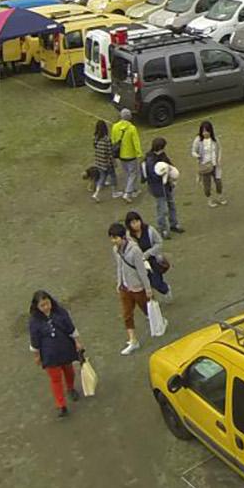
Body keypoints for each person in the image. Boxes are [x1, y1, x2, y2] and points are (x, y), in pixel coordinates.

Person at [29, 289, 82, 418]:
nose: (46, 307)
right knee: (55, 379)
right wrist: (36, 355)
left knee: (69, 371)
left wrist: (77, 342)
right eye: (42, 305)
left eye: (47, 303)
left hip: (65, 348)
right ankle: (61, 405)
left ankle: (70, 388)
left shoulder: (61, 313)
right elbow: (34, 339)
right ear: (37, 306)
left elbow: (70, 327)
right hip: (49, 354)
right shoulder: (34, 322)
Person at [109, 220, 154, 356]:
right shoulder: (116, 250)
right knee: (127, 314)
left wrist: (147, 288)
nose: (113, 241)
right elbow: (119, 267)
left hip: (137, 287)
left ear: (122, 237)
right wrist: (119, 282)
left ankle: (157, 321)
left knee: (147, 310)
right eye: (111, 238)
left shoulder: (135, 250)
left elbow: (141, 270)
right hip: (125, 287)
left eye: (115, 238)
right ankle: (133, 340)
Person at [125, 210, 171, 300]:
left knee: (156, 282)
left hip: (153, 260)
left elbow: (159, 243)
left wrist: (148, 253)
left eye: (137, 221)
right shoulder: (128, 236)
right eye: (133, 223)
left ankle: (165, 289)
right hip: (139, 263)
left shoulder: (150, 230)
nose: (136, 224)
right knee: (145, 282)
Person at [144, 136, 183, 237]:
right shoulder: (150, 159)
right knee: (162, 209)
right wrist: (163, 172)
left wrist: (171, 172)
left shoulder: (162, 155)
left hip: (166, 186)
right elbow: (153, 175)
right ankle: (162, 229)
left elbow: (169, 165)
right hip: (157, 188)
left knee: (171, 205)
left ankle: (174, 224)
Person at [110, 109, 143, 202]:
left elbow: (113, 140)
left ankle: (134, 189)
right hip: (131, 155)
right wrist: (139, 153)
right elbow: (136, 142)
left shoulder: (115, 127)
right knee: (133, 174)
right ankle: (128, 193)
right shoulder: (132, 128)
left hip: (120, 155)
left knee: (128, 173)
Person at [190, 120, 225, 207]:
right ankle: (210, 200)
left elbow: (219, 149)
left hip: (215, 165)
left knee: (218, 182)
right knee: (207, 185)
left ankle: (220, 197)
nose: (205, 133)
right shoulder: (198, 140)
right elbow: (193, 151)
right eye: (203, 131)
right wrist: (197, 156)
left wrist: (219, 159)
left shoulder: (215, 139)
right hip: (205, 166)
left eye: (207, 131)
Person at [89, 119, 116, 201]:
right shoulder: (106, 139)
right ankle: (114, 192)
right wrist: (113, 162)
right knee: (113, 176)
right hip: (106, 162)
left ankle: (96, 193)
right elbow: (109, 152)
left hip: (98, 161)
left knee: (102, 177)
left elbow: (95, 147)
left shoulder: (95, 138)